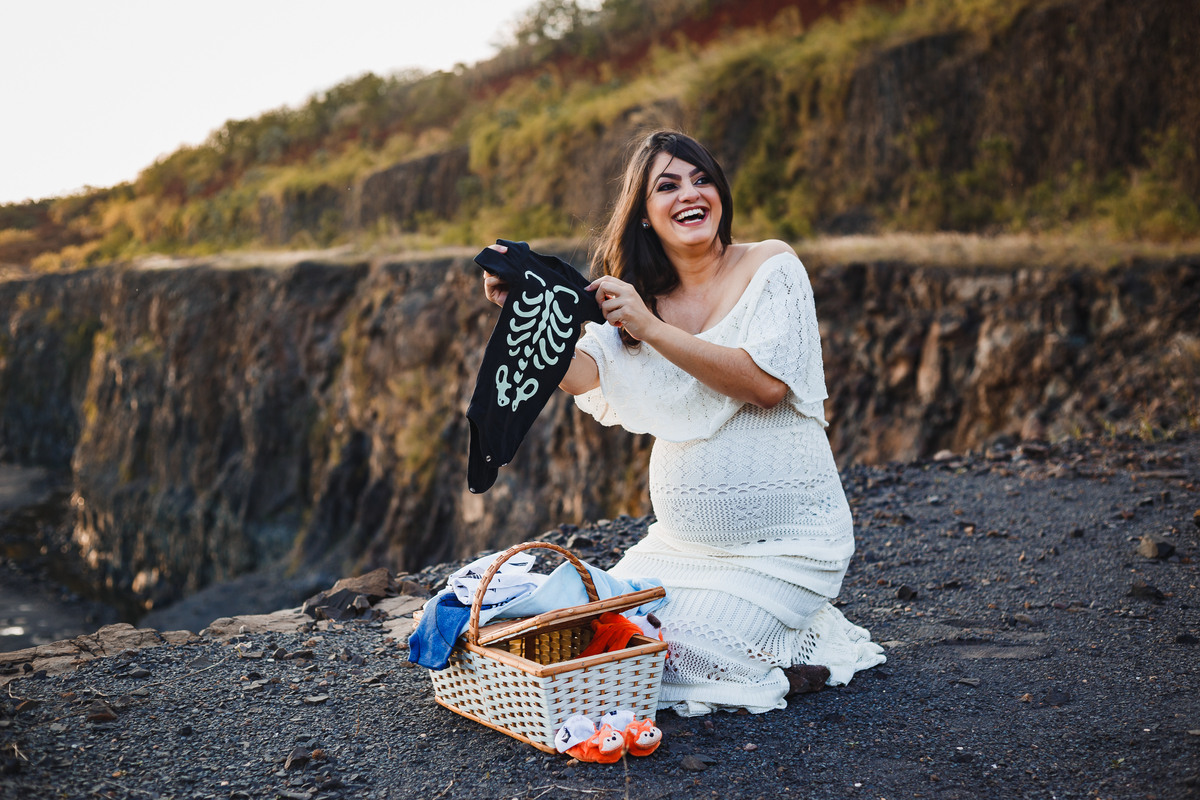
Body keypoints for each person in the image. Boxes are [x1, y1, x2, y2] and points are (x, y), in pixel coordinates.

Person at [482, 130, 884, 717]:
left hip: (785, 548)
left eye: (701, 179)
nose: (689, 194)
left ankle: (799, 636)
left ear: (720, 192)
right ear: (644, 215)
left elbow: (765, 385)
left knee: (674, 653)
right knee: (601, 634)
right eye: (666, 186)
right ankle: (785, 631)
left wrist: (652, 328)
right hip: (676, 550)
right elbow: (580, 374)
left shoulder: (772, 265)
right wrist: (518, 306)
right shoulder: (640, 301)